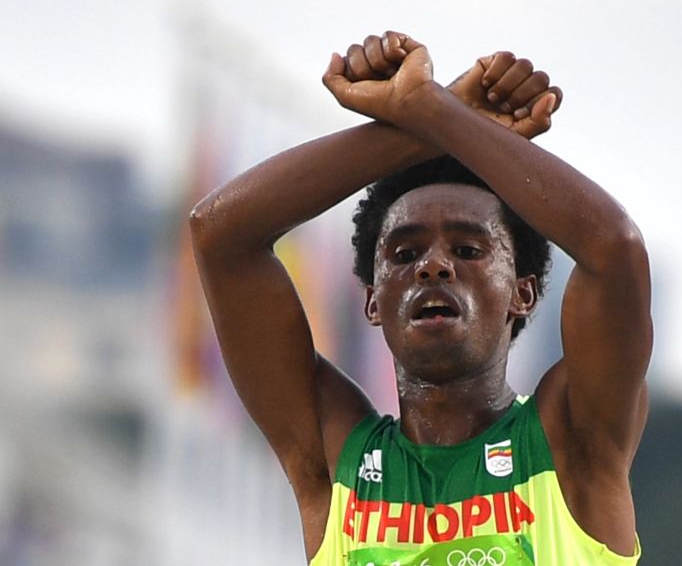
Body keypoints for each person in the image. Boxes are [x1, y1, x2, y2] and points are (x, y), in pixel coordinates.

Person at [190, 31, 652, 565]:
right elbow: (219, 232)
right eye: (404, 255)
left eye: (468, 249)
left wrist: (433, 114)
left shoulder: (572, 439)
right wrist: (434, 120)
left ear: (521, 293)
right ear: (371, 301)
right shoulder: (336, 459)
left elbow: (614, 248)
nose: (434, 265)